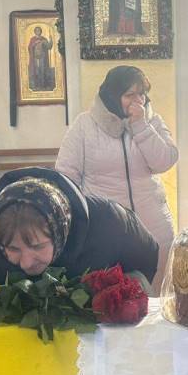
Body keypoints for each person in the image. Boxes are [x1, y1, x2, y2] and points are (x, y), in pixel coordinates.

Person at [0, 167, 158, 288]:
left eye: (37, 246)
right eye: (12, 249)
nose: (26, 263)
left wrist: (112, 297)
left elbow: (146, 257)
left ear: (60, 232)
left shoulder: (110, 221)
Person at [56, 66, 177, 289]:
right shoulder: (84, 125)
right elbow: (66, 176)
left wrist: (140, 126)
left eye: (141, 94)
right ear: (112, 96)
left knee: (157, 293)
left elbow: (164, 161)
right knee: (112, 294)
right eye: (129, 95)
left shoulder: (153, 121)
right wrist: (80, 221)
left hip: (154, 225)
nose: (138, 101)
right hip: (106, 228)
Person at [27, 26, 55, 92]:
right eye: (36, 31)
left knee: (42, 70)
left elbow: (49, 46)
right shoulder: (32, 39)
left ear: (41, 31)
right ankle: (36, 85)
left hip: (42, 58)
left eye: (39, 30)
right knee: (36, 71)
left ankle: (43, 85)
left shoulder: (43, 39)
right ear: (35, 32)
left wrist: (51, 40)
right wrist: (34, 44)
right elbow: (29, 48)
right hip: (35, 58)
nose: (38, 32)